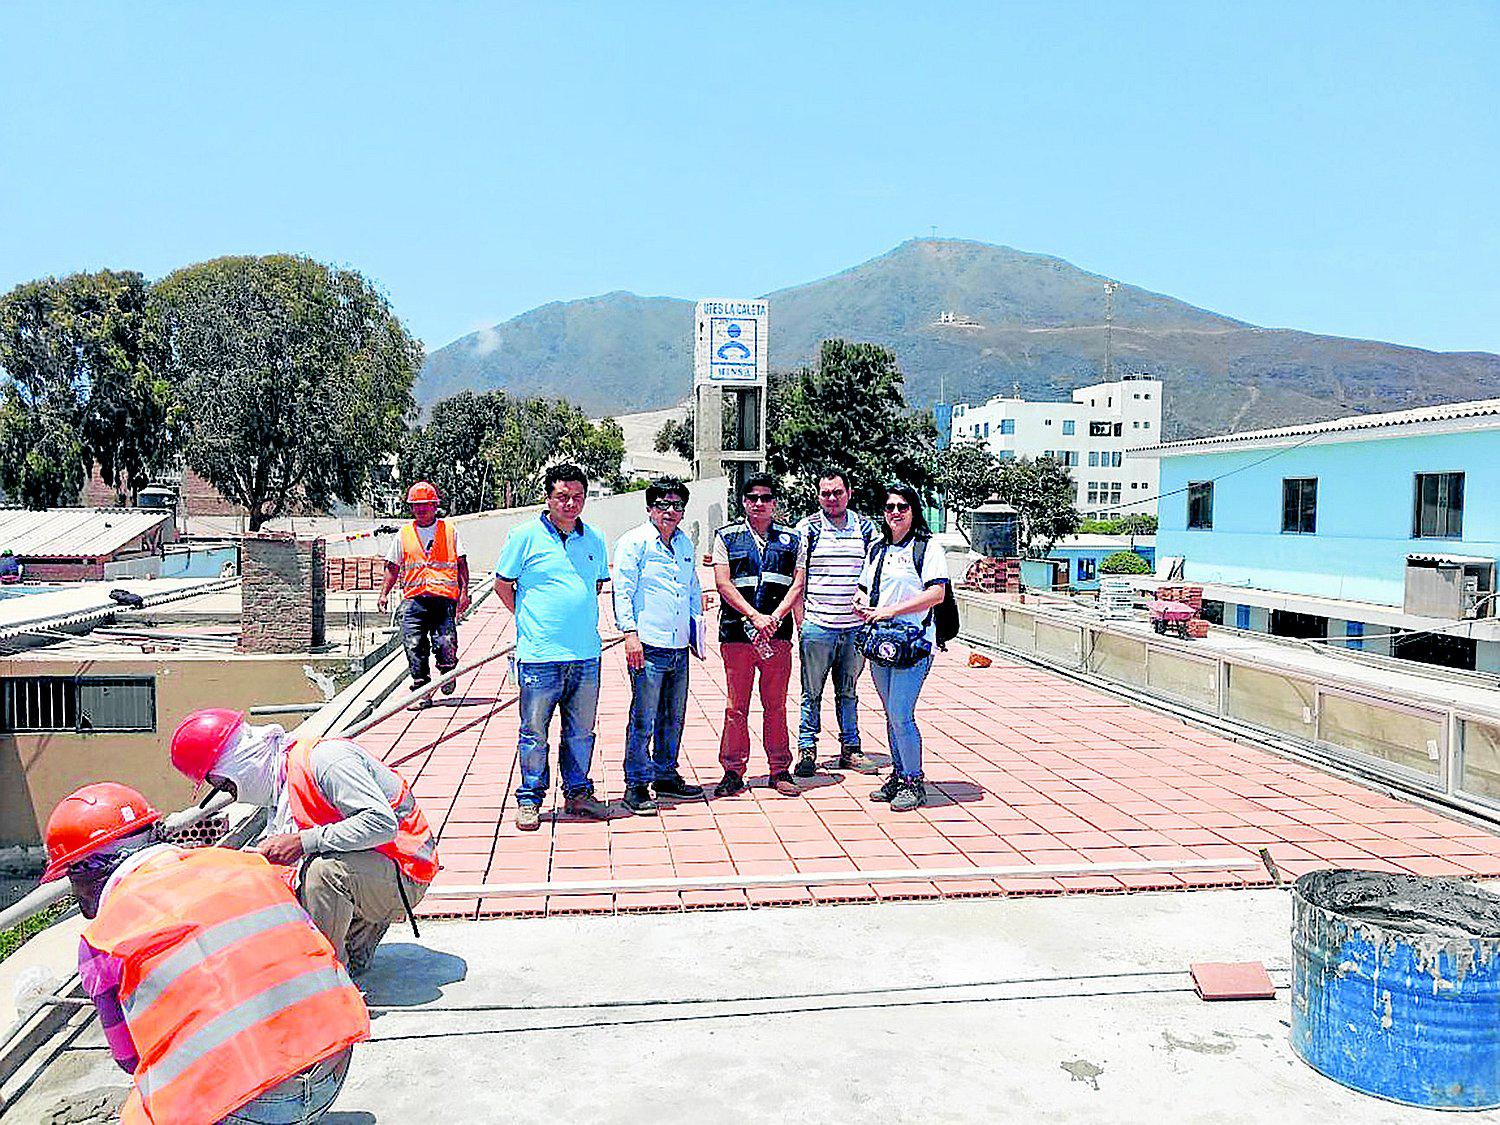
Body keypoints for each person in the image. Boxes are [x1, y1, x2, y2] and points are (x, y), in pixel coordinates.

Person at [42, 782, 368, 1125]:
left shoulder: (104, 938)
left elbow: (129, 1059)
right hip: (333, 1070)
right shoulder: (246, 864)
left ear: (89, 871)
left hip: (252, 1107)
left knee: (143, 1110)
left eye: (70, 876)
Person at [170, 708, 437, 975]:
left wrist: (302, 841)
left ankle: (328, 981)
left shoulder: (326, 760)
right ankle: (356, 939)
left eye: (224, 783)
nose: (227, 792)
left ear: (238, 763)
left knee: (324, 872)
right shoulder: (280, 780)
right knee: (272, 878)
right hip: (374, 863)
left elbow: (382, 824)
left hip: (407, 872)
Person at [494, 463, 611, 829]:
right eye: (562, 496)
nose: (570, 504)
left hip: (585, 655)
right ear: (548, 497)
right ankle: (530, 799)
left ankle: (578, 793)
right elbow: (503, 585)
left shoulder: (594, 539)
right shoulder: (523, 536)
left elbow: (596, 587)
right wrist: (529, 620)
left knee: (581, 731)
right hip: (539, 656)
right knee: (534, 732)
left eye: (578, 497)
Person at [612, 479, 707, 814]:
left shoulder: (684, 544)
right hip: (648, 644)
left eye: (677, 505)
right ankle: (636, 784)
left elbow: (692, 586)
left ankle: (666, 775)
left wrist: (696, 630)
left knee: (674, 715)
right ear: (650, 507)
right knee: (643, 718)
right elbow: (622, 591)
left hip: (679, 645)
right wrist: (629, 634)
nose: (671, 511)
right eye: (664, 504)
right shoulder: (634, 542)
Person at [855, 484, 950, 812]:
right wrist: (861, 602)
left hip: (914, 644)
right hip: (882, 643)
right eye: (890, 507)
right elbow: (866, 587)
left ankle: (914, 780)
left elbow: (936, 594)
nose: (895, 512)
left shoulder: (927, 547)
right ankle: (898, 774)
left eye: (903, 507)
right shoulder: (878, 548)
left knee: (900, 713)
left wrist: (892, 611)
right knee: (890, 714)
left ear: (914, 511)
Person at [711, 473, 802, 798]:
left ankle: (779, 769)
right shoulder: (727, 537)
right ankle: (732, 771)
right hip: (738, 635)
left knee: (775, 706)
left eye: (766, 498)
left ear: (774, 502)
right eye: (753, 498)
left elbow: (797, 584)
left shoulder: (792, 540)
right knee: (737, 706)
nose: (759, 504)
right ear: (744, 502)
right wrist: (754, 616)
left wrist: (775, 618)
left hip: (777, 636)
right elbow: (723, 583)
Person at [785, 468, 879, 778]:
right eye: (826, 493)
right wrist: (802, 623)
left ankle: (850, 748)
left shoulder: (866, 529)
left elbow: (877, 576)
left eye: (838, 492)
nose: (832, 498)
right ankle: (807, 749)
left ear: (849, 493)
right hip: (818, 626)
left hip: (855, 629)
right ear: (818, 495)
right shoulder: (807, 529)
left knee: (848, 691)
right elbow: (797, 580)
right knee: (811, 692)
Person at [378, 480, 471, 707]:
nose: (420, 509)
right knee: (413, 644)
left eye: (425, 505)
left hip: (443, 597)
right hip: (414, 599)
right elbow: (392, 566)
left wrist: (464, 593)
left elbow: (461, 564)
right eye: (416, 505)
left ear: (434, 505)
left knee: (445, 642)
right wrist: (383, 593)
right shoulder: (404, 534)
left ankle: (448, 670)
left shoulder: (449, 531)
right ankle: (421, 690)